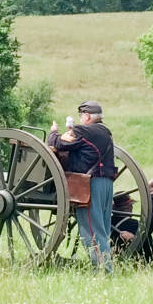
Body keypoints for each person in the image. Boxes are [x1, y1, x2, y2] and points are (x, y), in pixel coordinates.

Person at [47, 100, 117, 273]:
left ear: (86, 117)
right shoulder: (105, 132)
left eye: (81, 116)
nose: (80, 119)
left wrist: (54, 132)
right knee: (102, 230)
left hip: (89, 185)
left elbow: (59, 144)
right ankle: (105, 266)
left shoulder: (83, 130)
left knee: (91, 231)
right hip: (106, 184)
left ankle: (103, 271)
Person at [109, 194, 153, 262]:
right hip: (132, 262)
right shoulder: (136, 225)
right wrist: (133, 238)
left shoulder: (106, 223)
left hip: (110, 259)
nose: (132, 207)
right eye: (130, 205)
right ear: (128, 207)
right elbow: (152, 251)